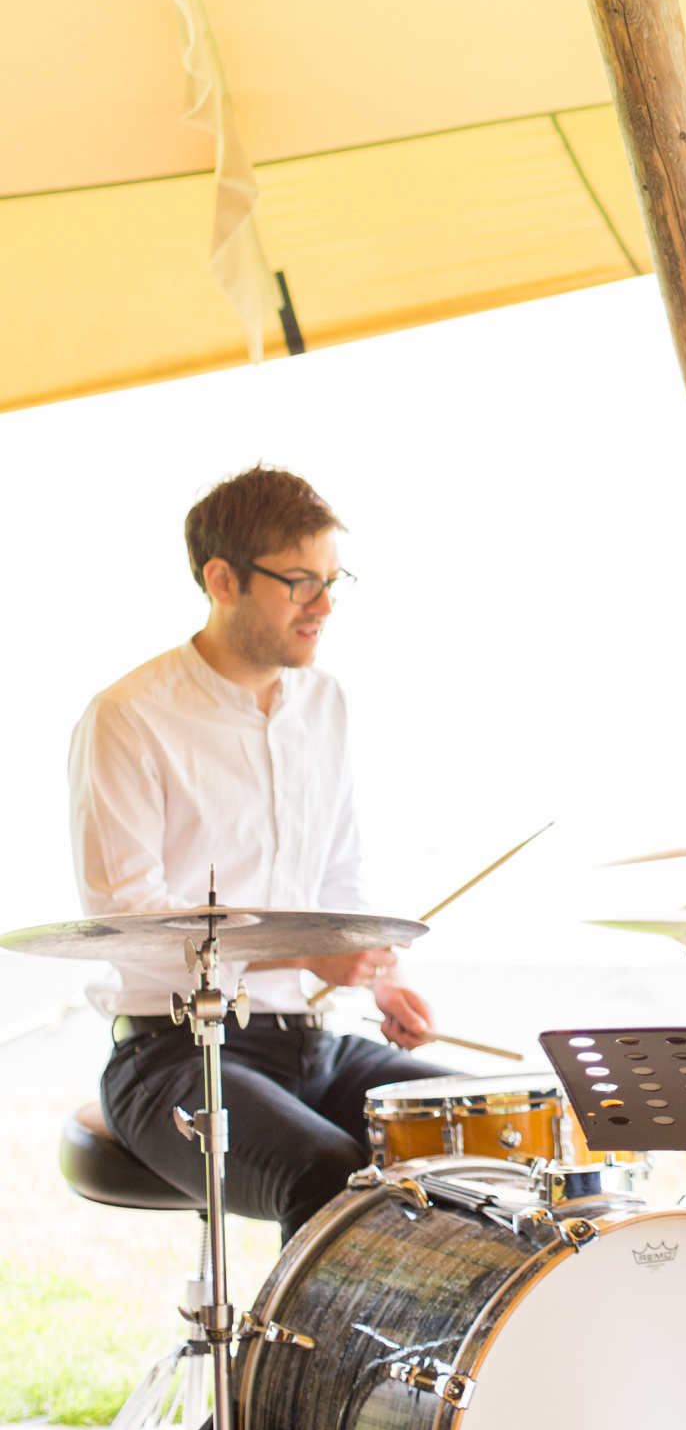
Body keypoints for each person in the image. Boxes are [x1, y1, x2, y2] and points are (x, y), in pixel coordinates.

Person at [75, 464, 437, 1245]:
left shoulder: (324, 702)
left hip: (313, 1044)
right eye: (301, 583)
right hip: (171, 1055)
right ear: (221, 579)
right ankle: (304, 1372)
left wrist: (381, 972)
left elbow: (338, 870)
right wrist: (304, 958)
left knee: (480, 1135)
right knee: (329, 1171)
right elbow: (129, 927)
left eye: (335, 581)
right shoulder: (127, 717)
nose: (326, 606)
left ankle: (445, 1366)